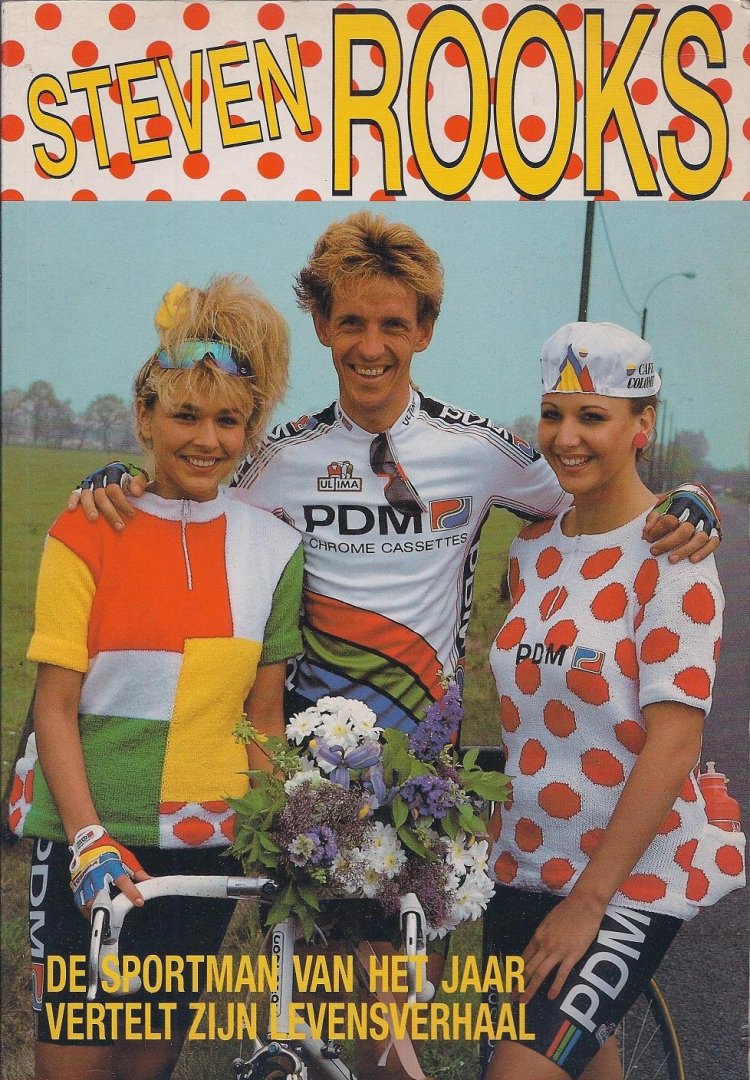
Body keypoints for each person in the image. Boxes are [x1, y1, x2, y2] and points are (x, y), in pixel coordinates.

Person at [55, 213, 721, 1080]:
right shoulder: (281, 457)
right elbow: (193, 483)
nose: (371, 346)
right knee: (322, 1023)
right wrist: (122, 479)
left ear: (425, 330)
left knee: (388, 1044)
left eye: (393, 324)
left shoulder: (478, 451)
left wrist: (690, 498)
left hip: (419, 791)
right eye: (351, 323)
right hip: (306, 789)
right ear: (322, 325)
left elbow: (595, 489)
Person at [14, 276, 304, 1080]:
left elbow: (264, 718)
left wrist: (284, 831)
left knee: (147, 1065)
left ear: (249, 428)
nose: (207, 439)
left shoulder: (275, 548)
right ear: (145, 416)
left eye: (228, 420)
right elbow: (55, 708)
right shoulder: (87, 526)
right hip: (87, 843)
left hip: (203, 850)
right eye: (185, 415)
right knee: (72, 1064)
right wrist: (87, 842)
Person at [482, 322, 745, 1080]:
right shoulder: (532, 550)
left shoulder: (673, 556)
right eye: (553, 414)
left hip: (624, 880)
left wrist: (589, 903)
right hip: (523, 861)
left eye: (592, 416)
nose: (566, 438)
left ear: (642, 424)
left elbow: (675, 744)